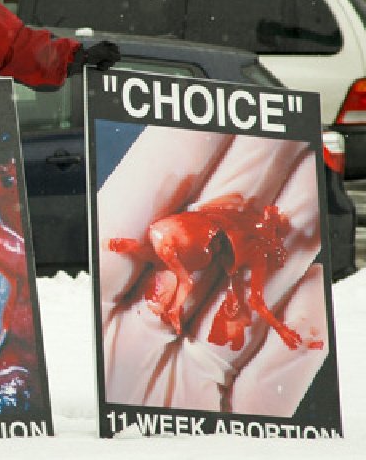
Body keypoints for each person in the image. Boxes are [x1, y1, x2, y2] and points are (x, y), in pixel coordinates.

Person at [97, 127, 329, 417]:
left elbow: (256, 298)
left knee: (176, 271)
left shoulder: (254, 256)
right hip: (189, 244)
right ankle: (146, 267)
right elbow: (255, 298)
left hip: (187, 247)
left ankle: (139, 255)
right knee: (180, 277)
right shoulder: (249, 247)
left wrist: (281, 328)